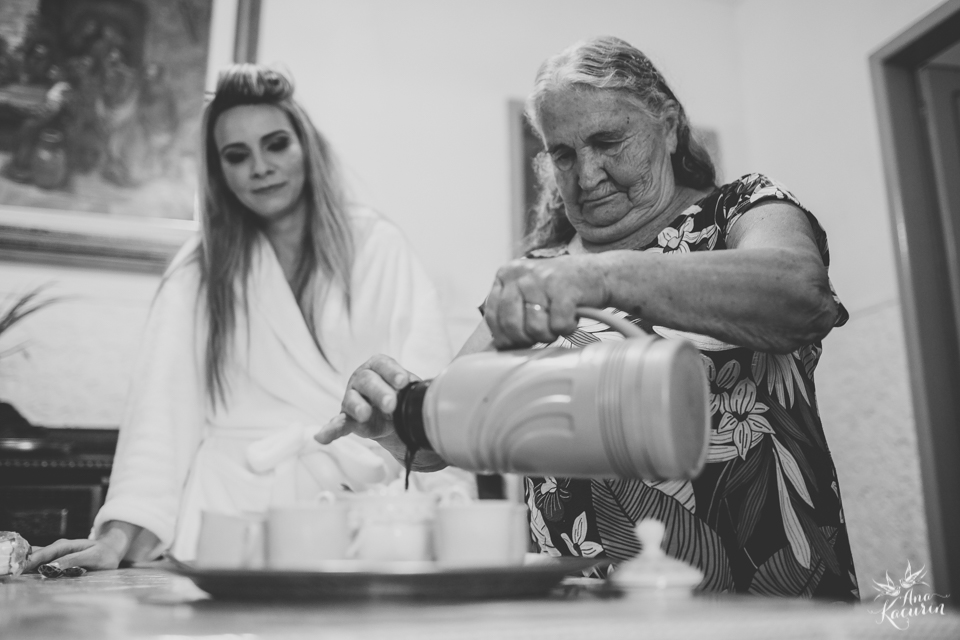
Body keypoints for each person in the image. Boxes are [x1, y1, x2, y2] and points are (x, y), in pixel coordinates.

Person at [319, 36, 859, 601]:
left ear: (668, 126)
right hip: (583, 608)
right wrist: (399, 419)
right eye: (564, 153)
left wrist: (606, 276)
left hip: (770, 597)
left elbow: (802, 296)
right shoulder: (538, 272)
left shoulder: (740, 211)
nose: (587, 173)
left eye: (608, 141)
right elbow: (448, 431)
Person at [26, 64, 453, 571]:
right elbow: (161, 413)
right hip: (228, 518)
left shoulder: (377, 247)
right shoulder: (198, 268)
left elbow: (426, 396)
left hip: (353, 512)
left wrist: (449, 503)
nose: (260, 167)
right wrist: (118, 535)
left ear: (306, 147)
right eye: (237, 155)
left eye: (275, 144)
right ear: (219, 172)